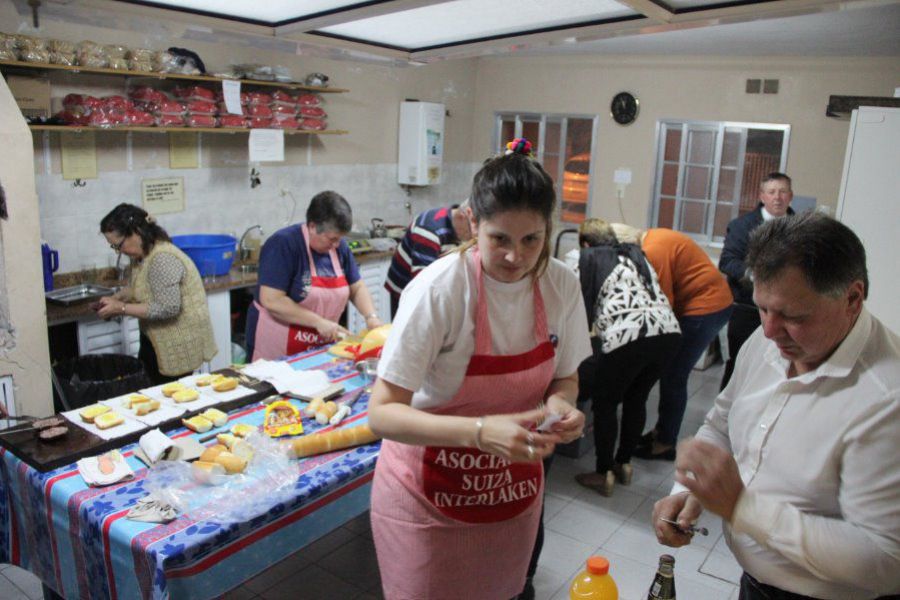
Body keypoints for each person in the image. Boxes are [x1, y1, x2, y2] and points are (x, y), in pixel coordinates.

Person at [367, 138, 592, 600]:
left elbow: (564, 378)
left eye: (532, 239)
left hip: (509, 495)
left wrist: (560, 406)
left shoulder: (561, 285)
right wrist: (479, 432)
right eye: (500, 240)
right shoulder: (441, 289)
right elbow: (383, 414)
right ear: (473, 222)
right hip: (426, 500)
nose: (516, 257)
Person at [652, 212, 900, 599]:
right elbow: (721, 425)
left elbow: (886, 561)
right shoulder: (767, 341)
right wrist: (690, 489)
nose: (769, 330)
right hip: (756, 583)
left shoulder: (886, 398)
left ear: (852, 298)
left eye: (792, 316)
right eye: (763, 309)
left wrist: (741, 507)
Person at [605, 224, 734, 461]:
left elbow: (661, 302)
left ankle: (665, 443)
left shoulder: (653, 252)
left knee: (674, 374)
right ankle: (662, 431)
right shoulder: (654, 237)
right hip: (714, 302)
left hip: (705, 307)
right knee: (672, 372)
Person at [574, 219, 681, 496]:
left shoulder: (586, 257)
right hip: (667, 333)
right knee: (637, 398)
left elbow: (576, 303)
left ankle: (603, 472)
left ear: (586, 243)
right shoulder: (635, 255)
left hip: (629, 337)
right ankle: (624, 464)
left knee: (606, 403)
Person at [245, 191, 382, 361]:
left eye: (340, 239)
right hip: (278, 347)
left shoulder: (339, 248)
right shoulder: (283, 244)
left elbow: (357, 287)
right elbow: (272, 300)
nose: (336, 245)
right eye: (332, 239)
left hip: (320, 345)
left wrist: (371, 318)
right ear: (312, 227)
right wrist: (318, 322)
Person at [98, 203, 217, 385]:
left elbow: (167, 307)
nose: (119, 252)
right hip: (155, 342)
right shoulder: (143, 256)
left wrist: (121, 308)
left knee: (170, 401)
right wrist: (118, 297)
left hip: (176, 346)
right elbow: (144, 287)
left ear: (136, 232)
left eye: (119, 245)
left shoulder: (162, 258)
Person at [719, 172, 794, 390]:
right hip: (747, 308)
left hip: (786, 311)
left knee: (779, 368)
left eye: (782, 192)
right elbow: (727, 262)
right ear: (762, 196)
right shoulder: (742, 226)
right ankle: (727, 418)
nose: (777, 198)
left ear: (790, 196)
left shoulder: (801, 227)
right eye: (771, 192)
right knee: (738, 365)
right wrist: (757, 276)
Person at [384, 201, 473, 318]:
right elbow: (423, 283)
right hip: (405, 288)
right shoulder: (429, 229)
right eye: (472, 228)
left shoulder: (459, 226)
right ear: (463, 216)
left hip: (432, 286)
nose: (474, 235)